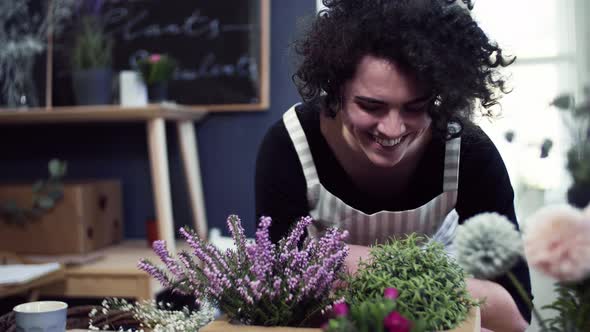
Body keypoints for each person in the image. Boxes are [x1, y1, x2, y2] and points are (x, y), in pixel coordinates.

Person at [255, 0, 532, 331]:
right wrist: (430, 276)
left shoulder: (470, 153)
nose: (392, 129)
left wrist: (333, 262)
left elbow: (513, 314)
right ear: (337, 87)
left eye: (416, 107)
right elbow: (275, 297)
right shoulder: (290, 144)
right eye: (371, 106)